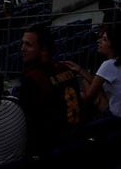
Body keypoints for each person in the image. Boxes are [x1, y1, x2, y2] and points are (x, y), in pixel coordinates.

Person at [62, 25, 121, 126]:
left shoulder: (109, 65)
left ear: (114, 46)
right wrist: (80, 70)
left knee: (86, 85)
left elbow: (89, 94)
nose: (98, 41)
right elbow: (96, 82)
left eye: (104, 40)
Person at [15, 24, 83, 155]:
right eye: (22, 43)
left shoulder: (33, 79)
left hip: (51, 148)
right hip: (74, 138)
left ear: (43, 50)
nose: (22, 48)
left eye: (28, 45)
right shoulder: (66, 69)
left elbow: (26, 122)